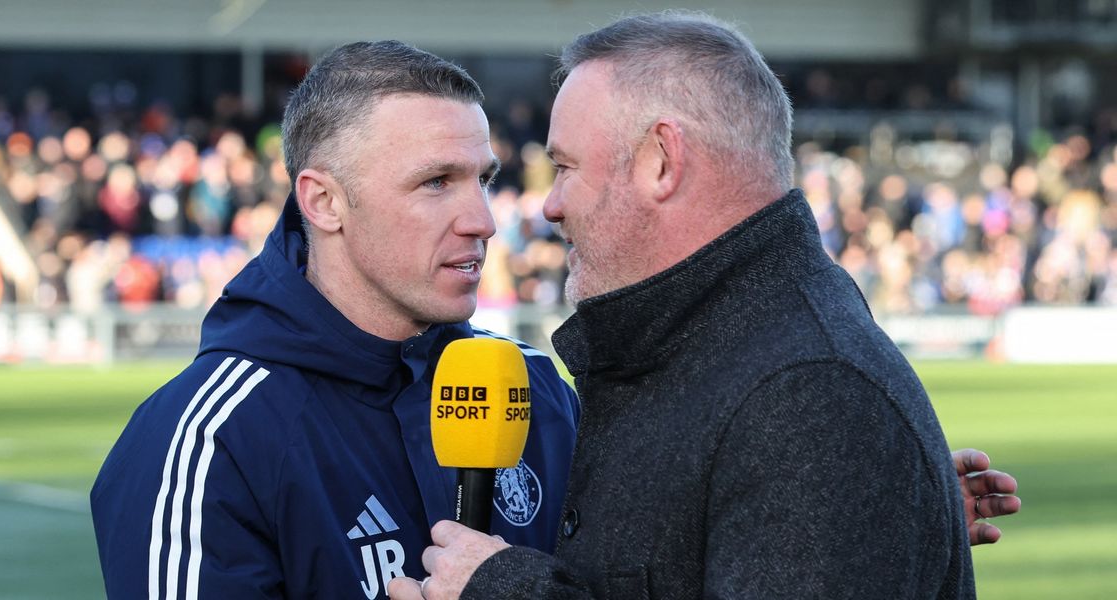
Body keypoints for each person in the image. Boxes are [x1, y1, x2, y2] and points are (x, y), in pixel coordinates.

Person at [391, 13, 1018, 600]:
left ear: (662, 160)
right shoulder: (733, 358)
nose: (550, 205)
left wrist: (503, 589)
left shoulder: (809, 394)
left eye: (565, 167)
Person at [90, 41, 580, 599]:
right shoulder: (209, 440)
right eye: (436, 182)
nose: (482, 220)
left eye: (484, 180)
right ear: (323, 202)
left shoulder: (540, 392)